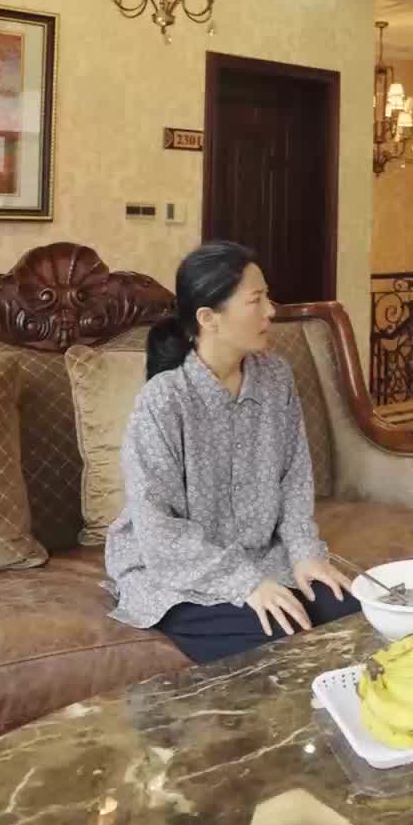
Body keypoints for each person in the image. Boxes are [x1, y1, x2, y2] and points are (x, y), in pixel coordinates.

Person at [106, 240, 359, 663]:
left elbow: (294, 478)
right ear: (209, 318)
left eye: (267, 297)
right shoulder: (164, 400)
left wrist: (304, 554)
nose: (271, 311)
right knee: (282, 639)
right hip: (176, 569)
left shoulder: (276, 377)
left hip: (262, 557)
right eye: (256, 300)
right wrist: (246, 583)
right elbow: (157, 528)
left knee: (351, 614)